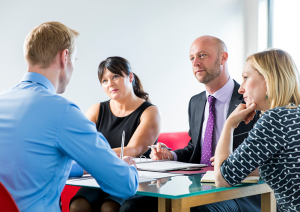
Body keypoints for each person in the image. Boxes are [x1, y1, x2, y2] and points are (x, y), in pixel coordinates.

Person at [0, 22, 139, 212]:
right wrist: (128, 168)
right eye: (75, 59)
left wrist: (84, 167)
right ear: (65, 57)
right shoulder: (62, 112)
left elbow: (33, 163)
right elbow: (124, 185)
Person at [119, 35, 261, 212]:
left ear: (223, 58)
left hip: (237, 190)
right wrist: (171, 156)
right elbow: (195, 148)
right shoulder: (195, 102)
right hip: (195, 187)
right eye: (192, 58)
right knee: (131, 207)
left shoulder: (250, 100)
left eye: (202, 55)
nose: (195, 63)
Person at [69, 56, 161, 212]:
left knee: (109, 207)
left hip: (132, 178)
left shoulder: (150, 111)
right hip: (100, 175)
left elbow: (133, 149)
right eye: (104, 80)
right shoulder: (97, 110)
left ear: (130, 77)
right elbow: (80, 145)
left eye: (115, 76)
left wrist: (94, 157)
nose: (110, 83)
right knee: (78, 205)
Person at [214, 49, 300, 212]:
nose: (241, 89)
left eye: (246, 78)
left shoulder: (275, 120)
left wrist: (229, 124)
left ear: (268, 80)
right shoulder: (293, 114)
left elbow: (221, 178)